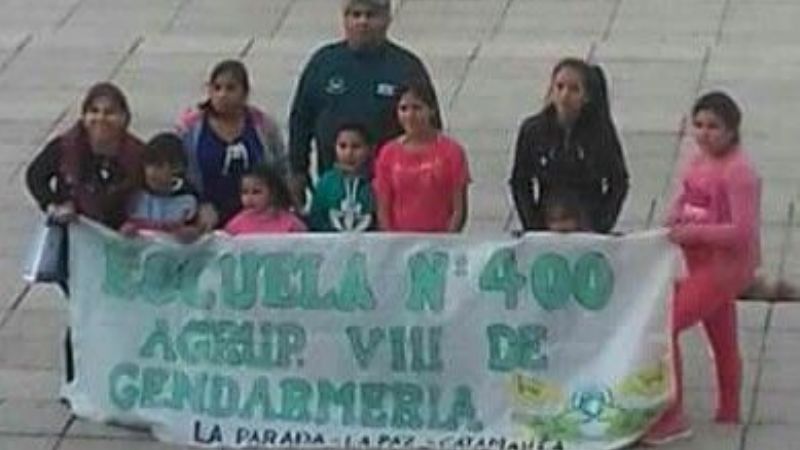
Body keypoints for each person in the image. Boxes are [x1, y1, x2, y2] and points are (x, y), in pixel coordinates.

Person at [642, 92, 761, 445]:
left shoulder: (740, 173)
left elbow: (742, 232)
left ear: (731, 130)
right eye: (699, 125)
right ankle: (729, 408)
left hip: (723, 268)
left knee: (668, 326)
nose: (705, 133)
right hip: (699, 262)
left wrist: (692, 231)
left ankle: (671, 413)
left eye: (714, 127)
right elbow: (686, 197)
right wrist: (672, 219)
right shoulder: (699, 161)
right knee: (721, 334)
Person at [24, 81, 144, 386]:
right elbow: (35, 176)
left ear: (125, 117)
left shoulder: (137, 155)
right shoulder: (66, 148)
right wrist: (53, 205)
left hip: (118, 248)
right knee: (83, 307)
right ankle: (76, 379)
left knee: (116, 312)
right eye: (93, 111)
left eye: (110, 112)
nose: (100, 119)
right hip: (76, 246)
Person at [288, 0, 441, 206]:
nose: (362, 22)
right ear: (345, 19)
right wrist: (297, 171)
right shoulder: (323, 63)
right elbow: (301, 121)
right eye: (355, 15)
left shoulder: (406, 67)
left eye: (371, 15)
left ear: (387, 19)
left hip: (392, 190)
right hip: (334, 187)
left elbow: (430, 127)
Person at [509, 58, 629, 233]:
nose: (565, 96)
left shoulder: (601, 132)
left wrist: (601, 225)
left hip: (588, 222)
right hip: (546, 220)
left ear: (586, 96)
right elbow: (520, 181)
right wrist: (532, 225)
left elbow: (618, 181)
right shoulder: (533, 130)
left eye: (574, 90)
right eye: (559, 87)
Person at [176, 59, 286, 229]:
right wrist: (197, 205)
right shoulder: (190, 128)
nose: (222, 95)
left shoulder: (263, 125)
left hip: (256, 218)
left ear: (245, 92)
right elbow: (178, 173)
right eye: (217, 88)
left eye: (230, 88)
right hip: (206, 217)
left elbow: (281, 167)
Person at [373, 81, 469, 232]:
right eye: (404, 109)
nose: (410, 115)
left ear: (431, 110)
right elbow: (383, 209)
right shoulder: (388, 153)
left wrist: (448, 241)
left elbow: (459, 208)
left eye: (417, 108)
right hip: (399, 243)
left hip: (440, 241)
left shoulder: (452, 152)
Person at [120, 132, 200, 241]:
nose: (152, 172)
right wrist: (125, 230)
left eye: (159, 166)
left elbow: (198, 233)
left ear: (177, 167)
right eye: (149, 164)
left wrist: (192, 234)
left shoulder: (188, 200)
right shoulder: (134, 194)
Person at [307, 122, 376, 232]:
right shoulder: (326, 183)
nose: (349, 153)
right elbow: (316, 220)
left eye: (356, 146)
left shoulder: (375, 182)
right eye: (342, 146)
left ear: (370, 149)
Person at [224, 164, 306, 235]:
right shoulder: (236, 225)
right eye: (245, 192)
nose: (249, 198)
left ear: (273, 193)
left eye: (256, 192)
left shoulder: (290, 223)